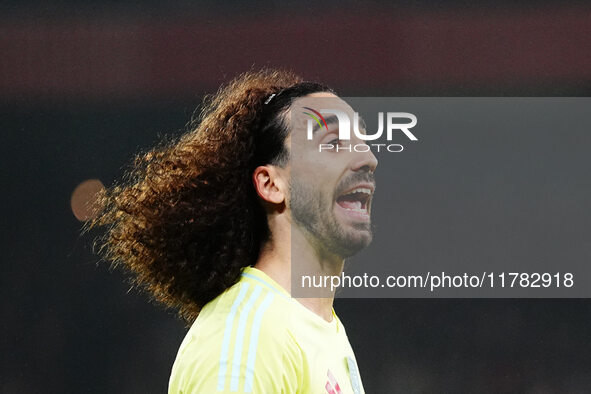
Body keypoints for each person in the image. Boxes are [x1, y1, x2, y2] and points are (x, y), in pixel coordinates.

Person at [92, 69, 377, 393]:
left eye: (363, 142)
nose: (368, 158)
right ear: (271, 184)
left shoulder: (323, 331)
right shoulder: (248, 335)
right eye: (333, 143)